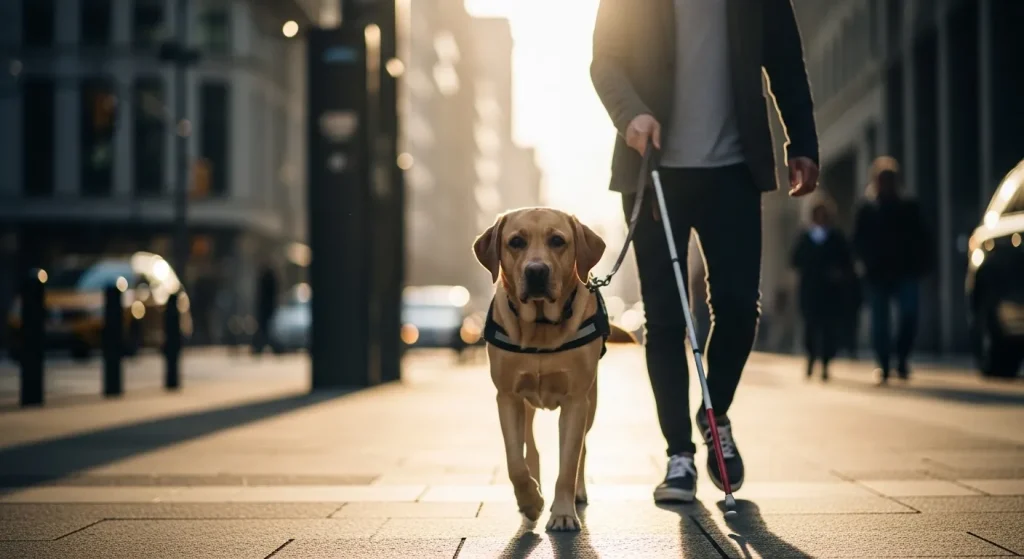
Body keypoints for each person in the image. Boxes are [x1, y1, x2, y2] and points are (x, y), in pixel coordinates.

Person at [591, 0, 819, 502]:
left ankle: (713, 412)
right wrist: (631, 116)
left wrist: (801, 139)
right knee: (666, 319)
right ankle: (679, 457)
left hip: (735, 171)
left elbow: (784, 57)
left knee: (739, 307)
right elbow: (604, 60)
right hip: (653, 169)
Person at [853, 157, 933, 383]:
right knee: (880, 322)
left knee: (909, 315)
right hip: (877, 274)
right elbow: (857, 240)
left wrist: (922, 264)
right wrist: (864, 263)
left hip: (905, 270)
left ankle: (901, 357)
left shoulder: (909, 207)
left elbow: (922, 238)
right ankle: (885, 364)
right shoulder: (867, 210)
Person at [790, 196, 856, 381]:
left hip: (830, 292)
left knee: (829, 330)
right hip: (810, 290)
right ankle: (811, 357)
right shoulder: (805, 237)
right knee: (810, 327)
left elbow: (846, 262)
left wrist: (839, 275)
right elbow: (794, 261)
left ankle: (826, 362)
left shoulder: (836, 237)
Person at [251, 262, 279, 355]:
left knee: (265, 330)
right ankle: (261, 346)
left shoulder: (266, 279)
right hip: (267, 308)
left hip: (265, 308)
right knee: (265, 330)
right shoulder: (269, 278)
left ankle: (261, 347)